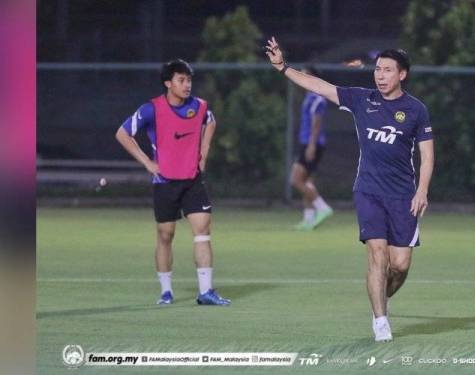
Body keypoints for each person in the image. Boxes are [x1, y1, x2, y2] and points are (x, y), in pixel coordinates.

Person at [265, 37, 434, 342]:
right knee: (377, 255)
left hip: (403, 195)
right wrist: (283, 68)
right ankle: (381, 322)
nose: (379, 75)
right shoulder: (361, 99)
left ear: (402, 74)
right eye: (378, 69)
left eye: (387, 70)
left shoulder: (416, 110)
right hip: (368, 191)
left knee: (400, 265)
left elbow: (427, 155)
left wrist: (422, 191)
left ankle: (379, 299)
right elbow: (319, 86)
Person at [115, 59, 230, 306]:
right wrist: (147, 162)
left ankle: (206, 292)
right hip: (165, 181)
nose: (187, 85)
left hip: (192, 180)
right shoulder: (151, 109)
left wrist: (204, 151)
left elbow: (210, 121)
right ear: (168, 83)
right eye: (181, 80)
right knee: (166, 235)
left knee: (202, 232)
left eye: (189, 80)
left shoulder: (199, 107)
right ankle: (166, 291)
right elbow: (122, 133)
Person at [290, 65, 333, 230]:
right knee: (307, 182)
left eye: (304, 74)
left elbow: (317, 123)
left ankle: (322, 208)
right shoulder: (310, 96)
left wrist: (312, 145)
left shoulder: (317, 97)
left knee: (296, 180)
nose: (300, 77)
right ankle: (308, 219)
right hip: (307, 142)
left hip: (311, 144)